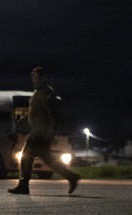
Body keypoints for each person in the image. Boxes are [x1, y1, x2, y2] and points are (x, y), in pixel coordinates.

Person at [9, 67, 80, 195]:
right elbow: (34, 113)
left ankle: (23, 186)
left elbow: (53, 115)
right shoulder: (38, 92)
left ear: (44, 78)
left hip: (41, 133)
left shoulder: (47, 93)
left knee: (27, 156)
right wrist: (21, 122)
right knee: (47, 160)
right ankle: (71, 177)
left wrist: (51, 132)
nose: (36, 80)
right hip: (38, 132)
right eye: (34, 77)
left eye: (39, 77)